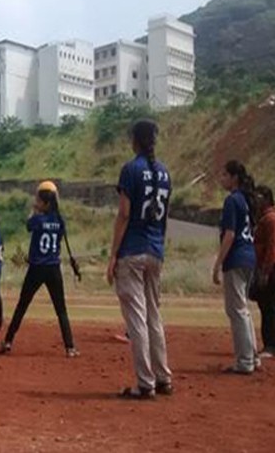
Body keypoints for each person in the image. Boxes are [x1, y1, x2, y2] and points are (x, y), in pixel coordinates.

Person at [107, 119, 173, 400]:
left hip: (132, 250)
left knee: (136, 319)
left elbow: (124, 214)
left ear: (135, 139)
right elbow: (165, 217)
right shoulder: (164, 173)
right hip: (155, 250)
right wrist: (159, 248)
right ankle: (163, 377)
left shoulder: (131, 169)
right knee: (153, 316)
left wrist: (113, 255)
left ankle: (145, 382)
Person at [0, 181, 79, 358]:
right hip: (53, 268)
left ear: (45, 204)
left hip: (37, 268)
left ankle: (8, 341)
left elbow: (28, 224)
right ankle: (70, 347)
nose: (36, 203)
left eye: (39, 201)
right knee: (61, 309)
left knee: (22, 305)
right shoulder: (59, 220)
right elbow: (61, 235)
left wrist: (35, 209)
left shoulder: (38, 219)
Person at [213, 160, 259, 374]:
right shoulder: (247, 200)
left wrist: (218, 263)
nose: (221, 179)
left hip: (237, 257)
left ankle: (245, 361)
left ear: (233, 177)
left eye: (224, 175)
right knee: (243, 310)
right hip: (250, 257)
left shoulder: (233, 200)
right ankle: (252, 356)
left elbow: (230, 234)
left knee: (236, 310)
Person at [253, 185, 275, 358]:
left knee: (269, 307)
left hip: (270, 268)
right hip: (265, 266)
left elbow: (272, 247)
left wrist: (265, 271)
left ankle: (270, 346)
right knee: (266, 306)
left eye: (258, 196)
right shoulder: (263, 219)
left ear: (266, 198)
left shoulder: (270, 219)